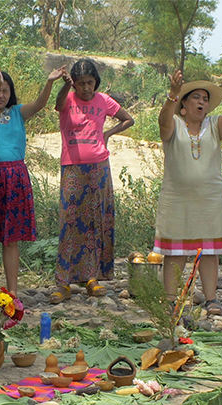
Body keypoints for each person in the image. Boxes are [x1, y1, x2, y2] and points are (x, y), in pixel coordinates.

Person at [0, 64, 66, 300]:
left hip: (14, 179)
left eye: (5, 90)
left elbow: (40, 104)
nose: (0, 95)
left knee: (11, 241)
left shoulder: (18, 113)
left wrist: (49, 81)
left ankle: (12, 293)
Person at [155, 70, 222, 314]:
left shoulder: (215, 125)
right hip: (177, 199)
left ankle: (211, 300)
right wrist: (172, 95)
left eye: (205, 99)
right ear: (184, 105)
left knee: (210, 251)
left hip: (210, 199)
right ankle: (169, 302)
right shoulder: (174, 124)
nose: (201, 102)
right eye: (196, 97)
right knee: (174, 251)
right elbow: (163, 122)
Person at [51, 59, 134, 304]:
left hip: (99, 167)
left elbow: (128, 119)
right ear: (74, 84)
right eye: (81, 84)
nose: (86, 88)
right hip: (73, 168)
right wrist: (65, 86)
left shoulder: (104, 101)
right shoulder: (69, 99)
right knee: (70, 221)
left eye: (90, 83)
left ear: (96, 82)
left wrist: (107, 134)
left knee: (96, 221)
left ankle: (92, 278)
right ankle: (63, 282)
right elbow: (57, 104)